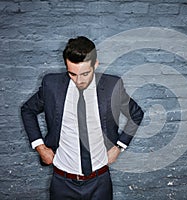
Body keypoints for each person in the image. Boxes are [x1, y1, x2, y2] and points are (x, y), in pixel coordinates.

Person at [21, 36, 144, 199]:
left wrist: (119, 147)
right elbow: (28, 110)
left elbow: (136, 114)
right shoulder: (52, 85)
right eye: (72, 74)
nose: (79, 81)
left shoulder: (111, 87)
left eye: (85, 73)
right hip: (62, 182)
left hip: (99, 182)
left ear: (96, 64)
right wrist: (40, 147)